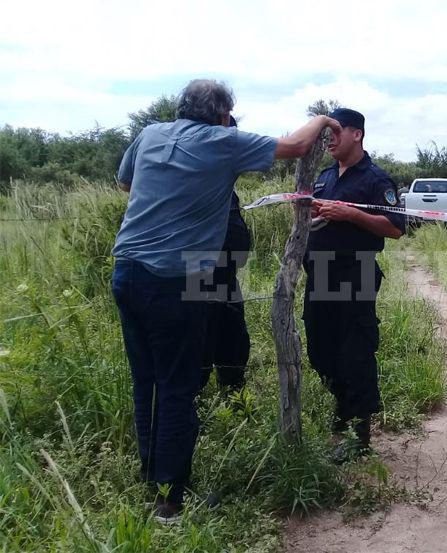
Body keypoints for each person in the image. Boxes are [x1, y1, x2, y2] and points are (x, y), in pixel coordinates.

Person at [112, 79, 340, 523]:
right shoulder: (222, 141)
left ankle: (152, 477)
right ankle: (170, 501)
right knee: (177, 386)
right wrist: (323, 118)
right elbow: (295, 146)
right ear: (222, 115)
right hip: (175, 278)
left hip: (127, 270)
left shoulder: (150, 133)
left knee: (147, 381)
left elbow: (126, 184)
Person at [302, 108, 405, 463]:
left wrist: (352, 214)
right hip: (319, 273)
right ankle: (342, 410)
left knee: (355, 353)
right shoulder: (325, 176)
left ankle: (359, 434)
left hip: (354, 273)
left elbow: (395, 228)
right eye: (327, 133)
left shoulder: (376, 179)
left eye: (336, 132)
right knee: (321, 350)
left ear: (356, 134)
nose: (329, 139)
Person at [200, 115, 252, 393]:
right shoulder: (193, 179)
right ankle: (194, 403)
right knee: (199, 344)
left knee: (233, 341)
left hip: (226, 276)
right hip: (198, 276)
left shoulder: (223, 184)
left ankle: (233, 397)